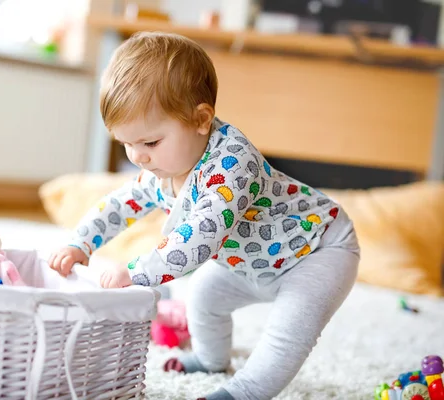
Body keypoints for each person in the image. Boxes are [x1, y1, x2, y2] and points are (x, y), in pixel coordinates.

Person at [48, 32, 360, 400]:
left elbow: (200, 238)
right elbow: (121, 202)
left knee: (290, 329)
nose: (138, 157)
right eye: (126, 144)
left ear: (201, 119)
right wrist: (81, 242)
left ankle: (242, 392)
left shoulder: (232, 164)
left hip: (318, 249)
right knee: (203, 298)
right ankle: (212, 360)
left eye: (149, 143)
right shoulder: (163, 167)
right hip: (254, 262)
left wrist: (134, 272)